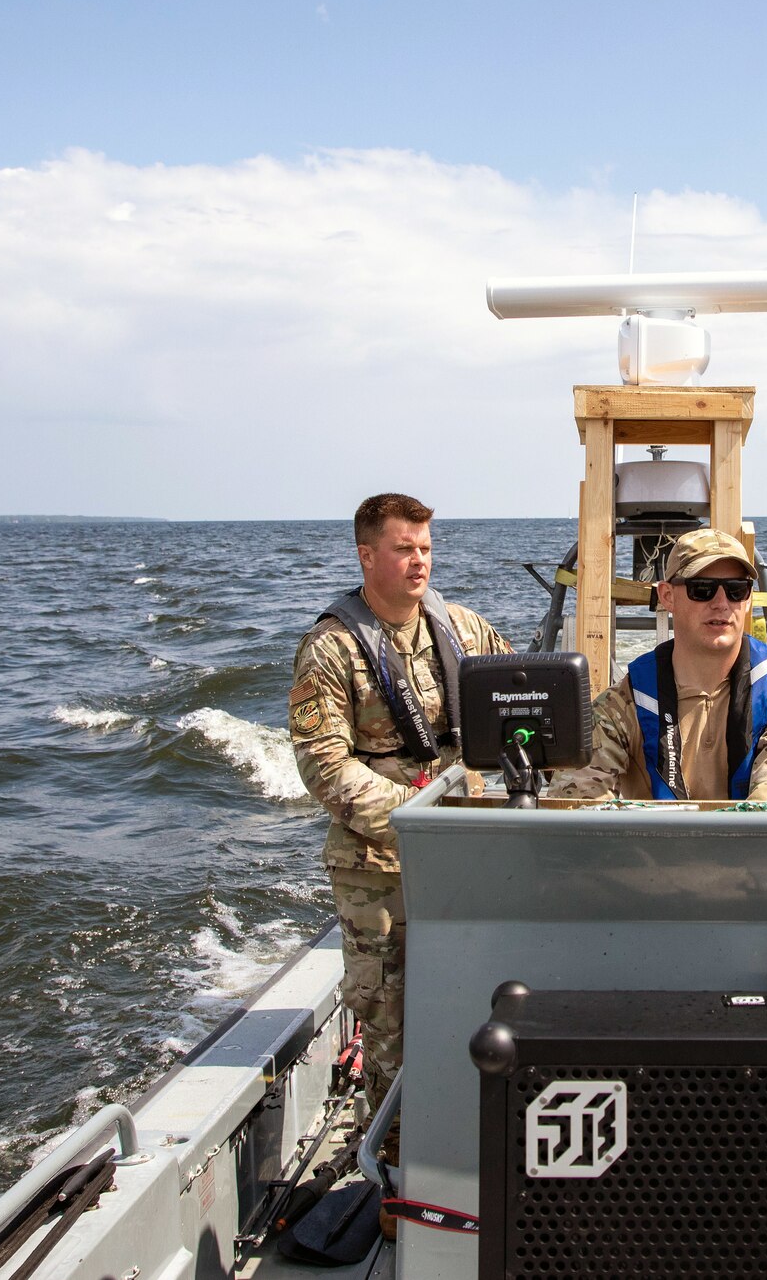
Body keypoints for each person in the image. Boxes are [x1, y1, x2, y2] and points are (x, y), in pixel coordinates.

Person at [288, 492, 511, 1157]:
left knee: (475, 994)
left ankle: (470, 1138)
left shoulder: (463, 629)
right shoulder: (330, 650)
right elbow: (324, 766)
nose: (420, 562)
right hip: (378, 864)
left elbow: (519, 690)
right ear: (367, 555)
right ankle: (393, 1160)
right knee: (389, 1021)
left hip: (462, 849)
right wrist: (415, 822)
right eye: (404, 549)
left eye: (426, 548)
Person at [548, 527, 767, 802]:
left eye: (736, 590)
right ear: (667, 596)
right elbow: (575, 803)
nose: (721, 603)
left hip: (754, 849)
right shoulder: (622, 707)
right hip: (650, 849)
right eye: (702, 589)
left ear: (747, 601)